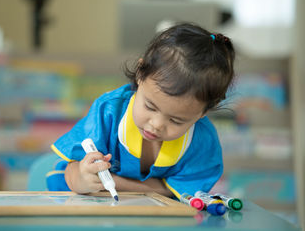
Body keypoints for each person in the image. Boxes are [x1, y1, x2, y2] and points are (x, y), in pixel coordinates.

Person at [45, 23, 235, 199]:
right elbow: (71, 169)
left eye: (176, 121)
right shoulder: (108, 111)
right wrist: (82, 179)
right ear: (139, 73)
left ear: (203, 112)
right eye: (150, 106)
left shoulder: (202, 140)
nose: (157, 124)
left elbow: (181, 193)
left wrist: (115, 183)